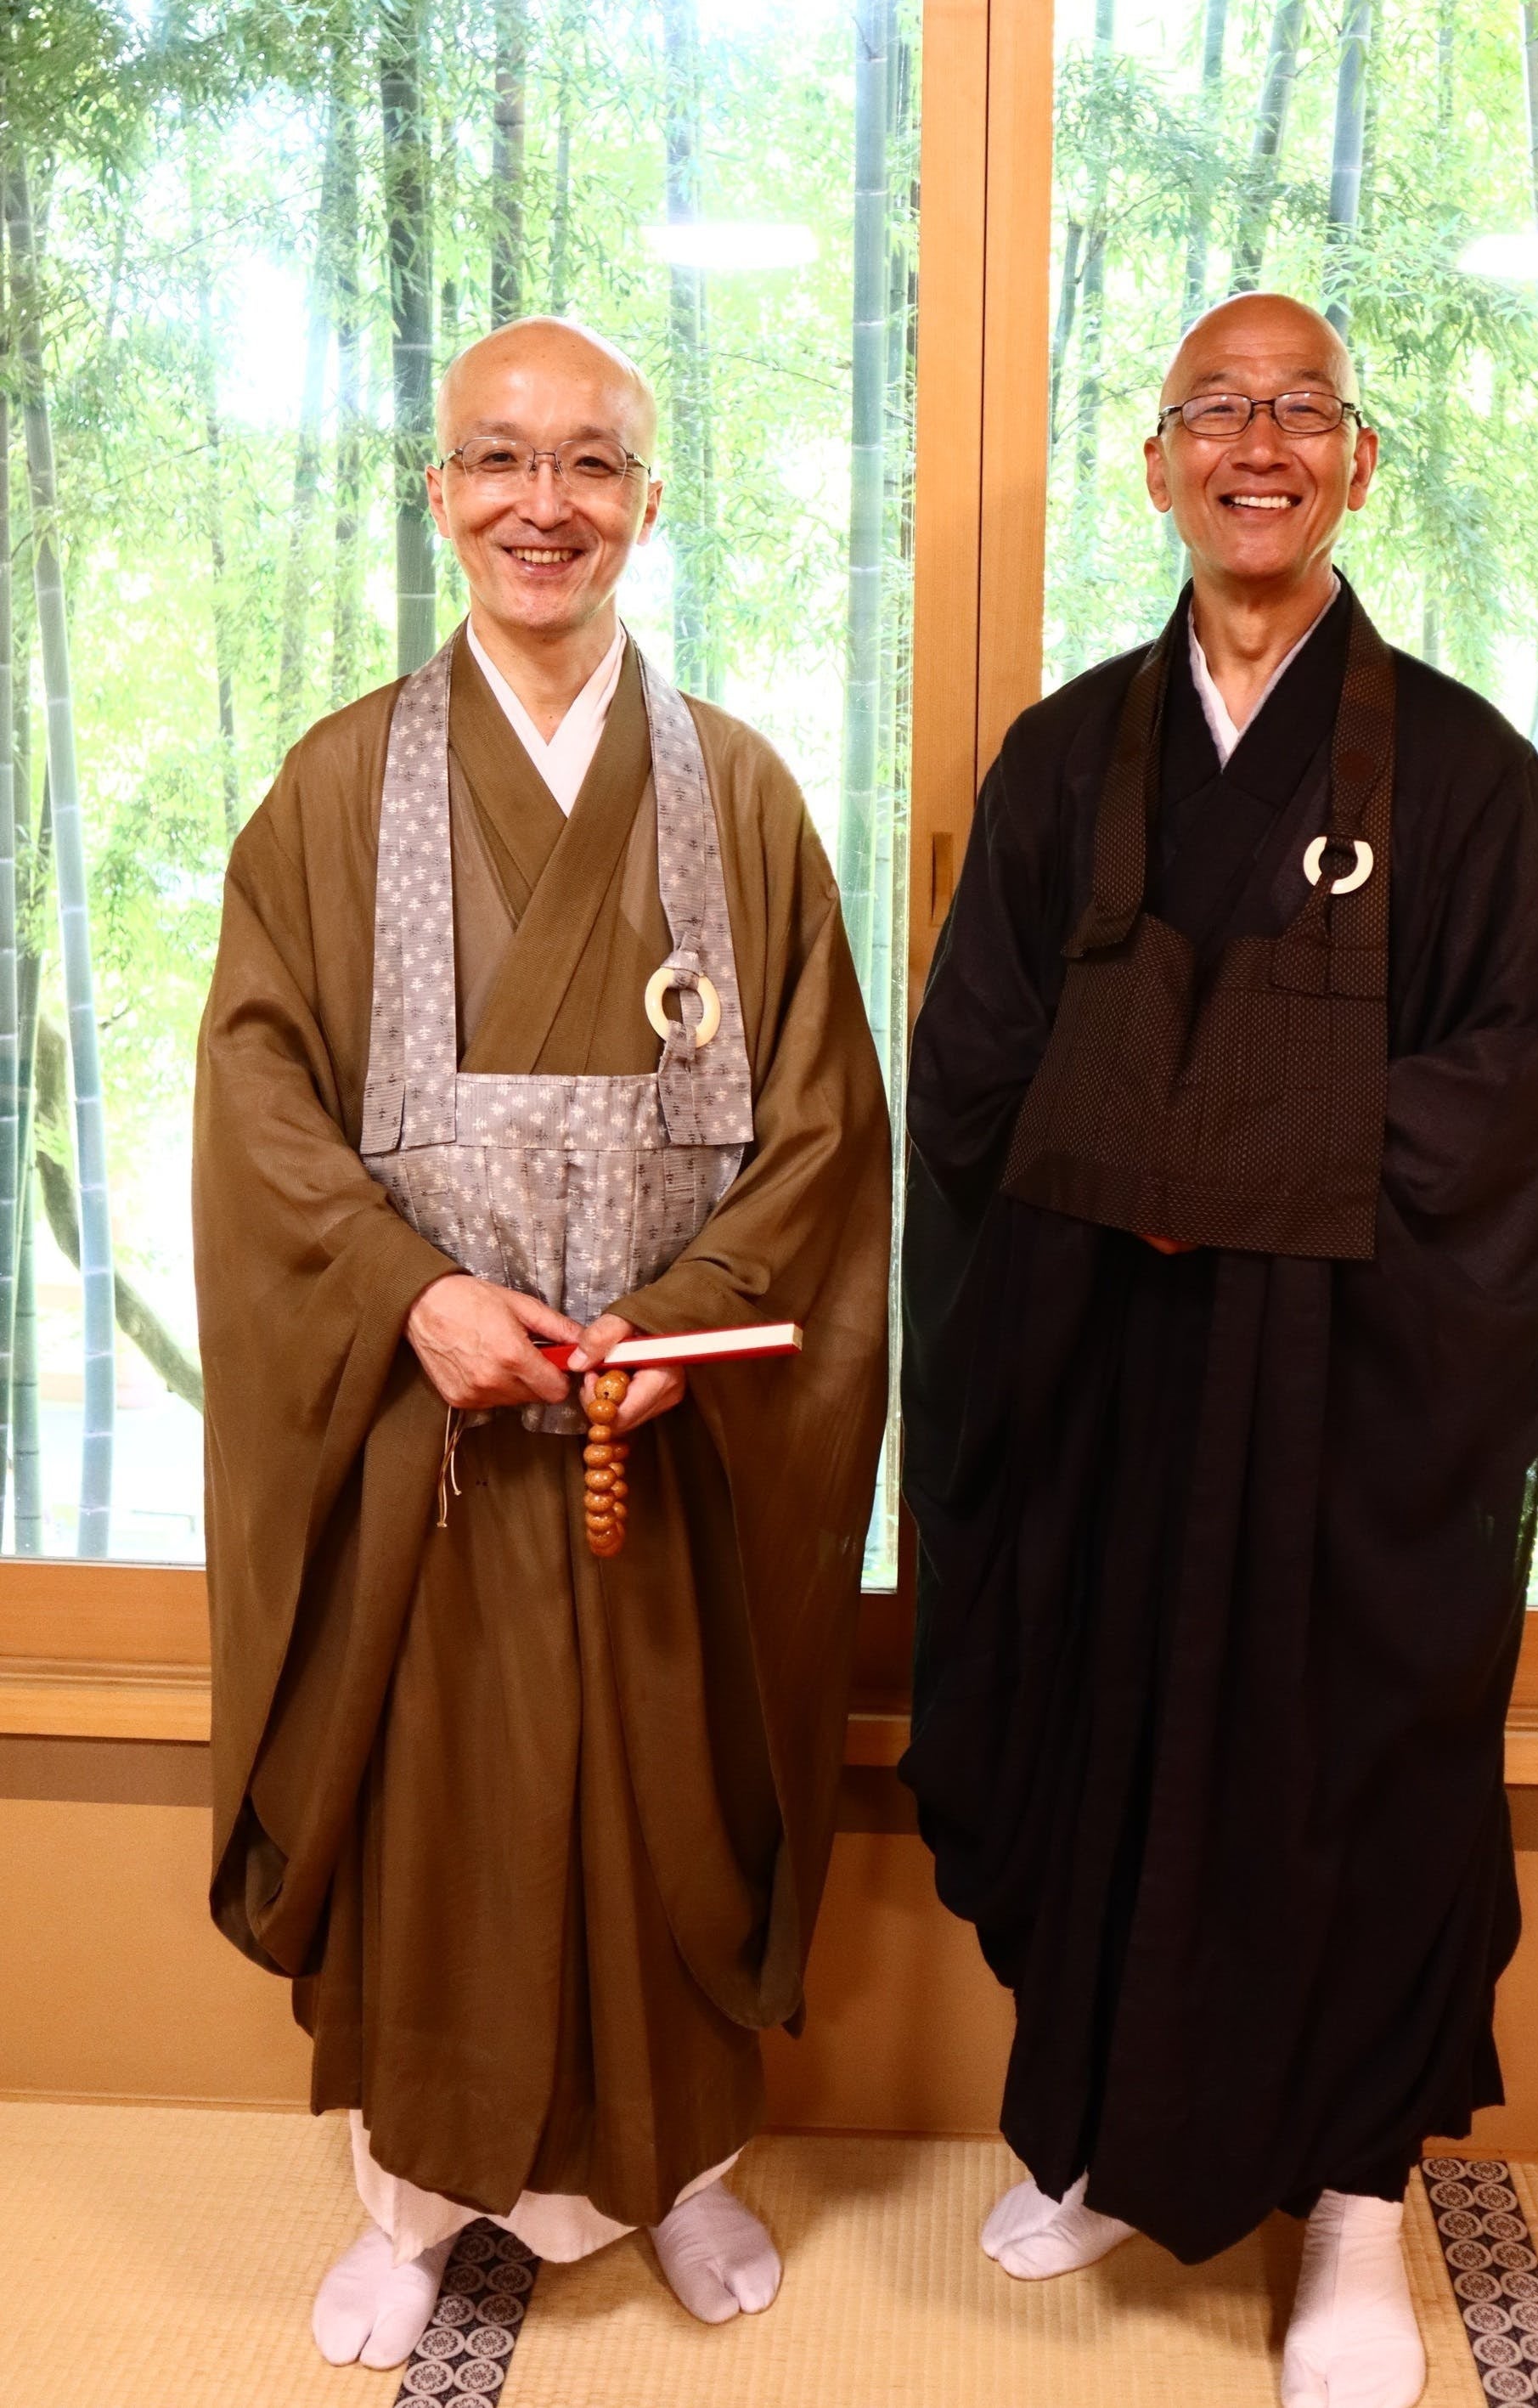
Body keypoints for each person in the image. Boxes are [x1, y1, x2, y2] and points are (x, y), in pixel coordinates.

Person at [899, 291, 1538, 2408]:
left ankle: (1358, 2208)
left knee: (1353, 1771)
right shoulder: (1064, 760)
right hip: (1104, 1380)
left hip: (1349, 1414)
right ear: (1159, 464)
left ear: (1357, 462)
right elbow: (975, 1070)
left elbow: (1523, 1095)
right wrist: (1157, 1161)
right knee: (1095, 1737)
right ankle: (1100, 2132)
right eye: (1217, 409)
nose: (1259, 444)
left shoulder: (1468, 777)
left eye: (1302, 409)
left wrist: (1218, 1153)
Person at [195, 317, 890, 2370]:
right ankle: (416, 2196)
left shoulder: (737, 792)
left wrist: (687, 1322)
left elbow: (825, 1129)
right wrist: (409, 1295)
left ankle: (683, 2167)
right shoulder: (337, 787)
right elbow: (256, 1098)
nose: (543, 502)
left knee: (672, 1793)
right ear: (441, 493)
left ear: (647, 505)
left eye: (591, 463)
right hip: (427, 1438)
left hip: (659, 1430)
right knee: (445, 1824)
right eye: (499, 458)